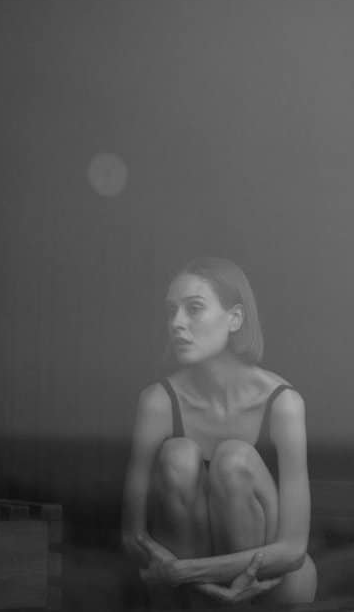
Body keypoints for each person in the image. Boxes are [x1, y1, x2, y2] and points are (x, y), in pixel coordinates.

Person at [121, 257, 316, 606]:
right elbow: (133, 536)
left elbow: (293, 550)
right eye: (171, 312)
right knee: (177, 456)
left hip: (270, 585)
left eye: (194, 308)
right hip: (190, 588)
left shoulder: (283, 403)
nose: (177, 323)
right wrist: (200, 582)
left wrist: (186, 572)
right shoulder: (157, 403)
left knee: (233, 459)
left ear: (235, 319)